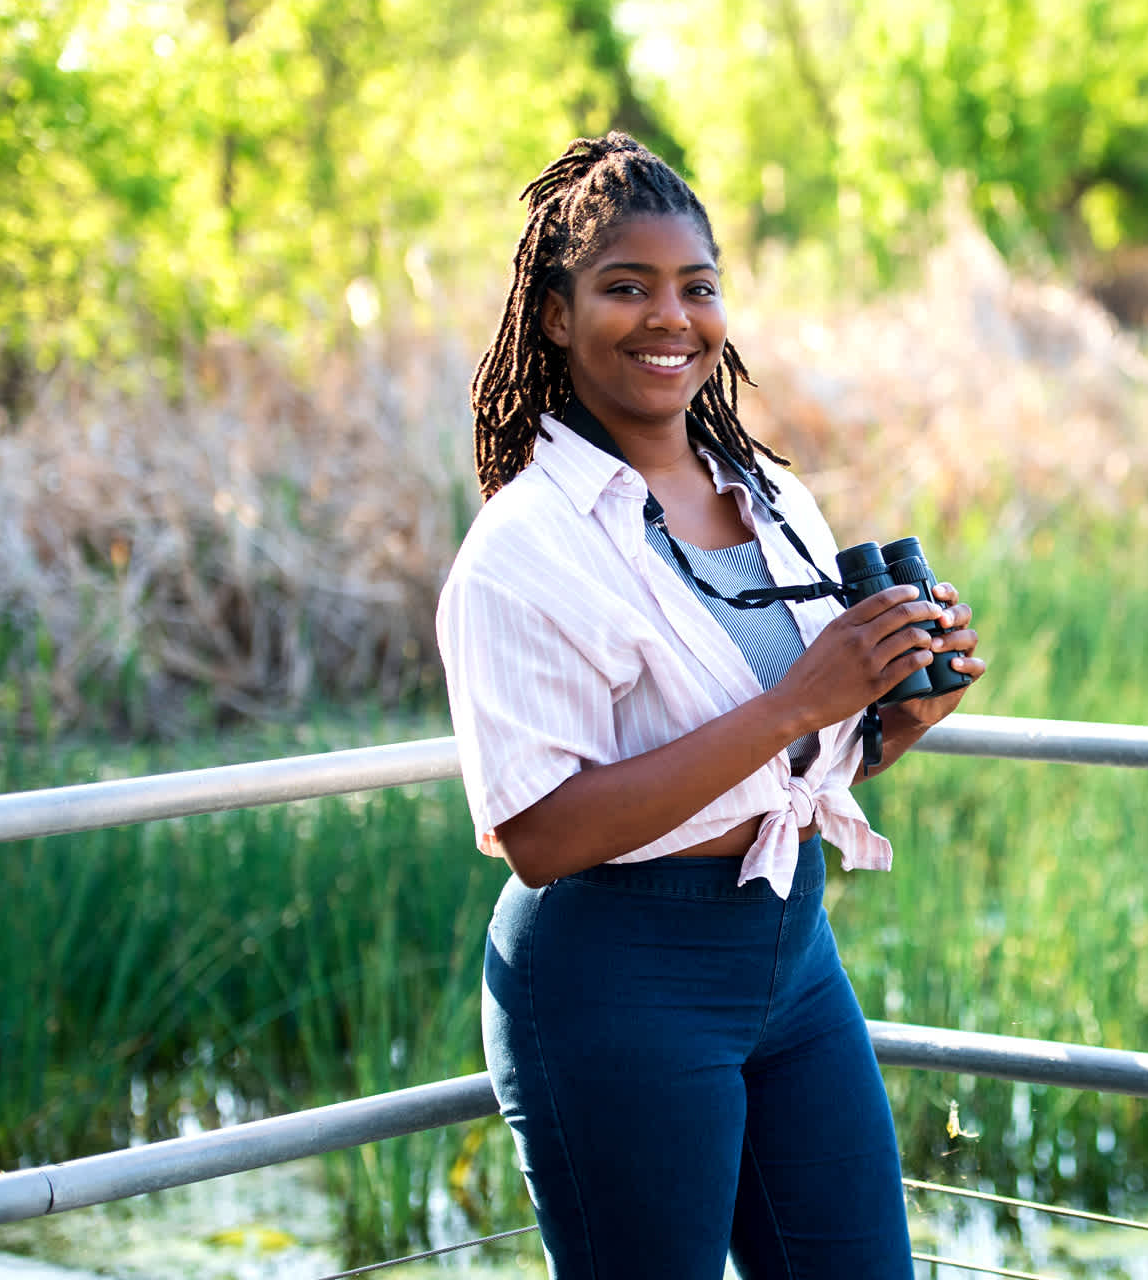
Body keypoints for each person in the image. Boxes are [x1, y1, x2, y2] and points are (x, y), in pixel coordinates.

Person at [434, 132, 986, 1279]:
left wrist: (888, 716)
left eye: (697, 287)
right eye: (625, 287)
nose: (667, 318)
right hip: (617, 984)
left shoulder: (770, 491)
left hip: (790, 958)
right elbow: (541, 832)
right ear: (553, 314)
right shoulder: (521, 547)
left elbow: (784, 763)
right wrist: (802, 697)